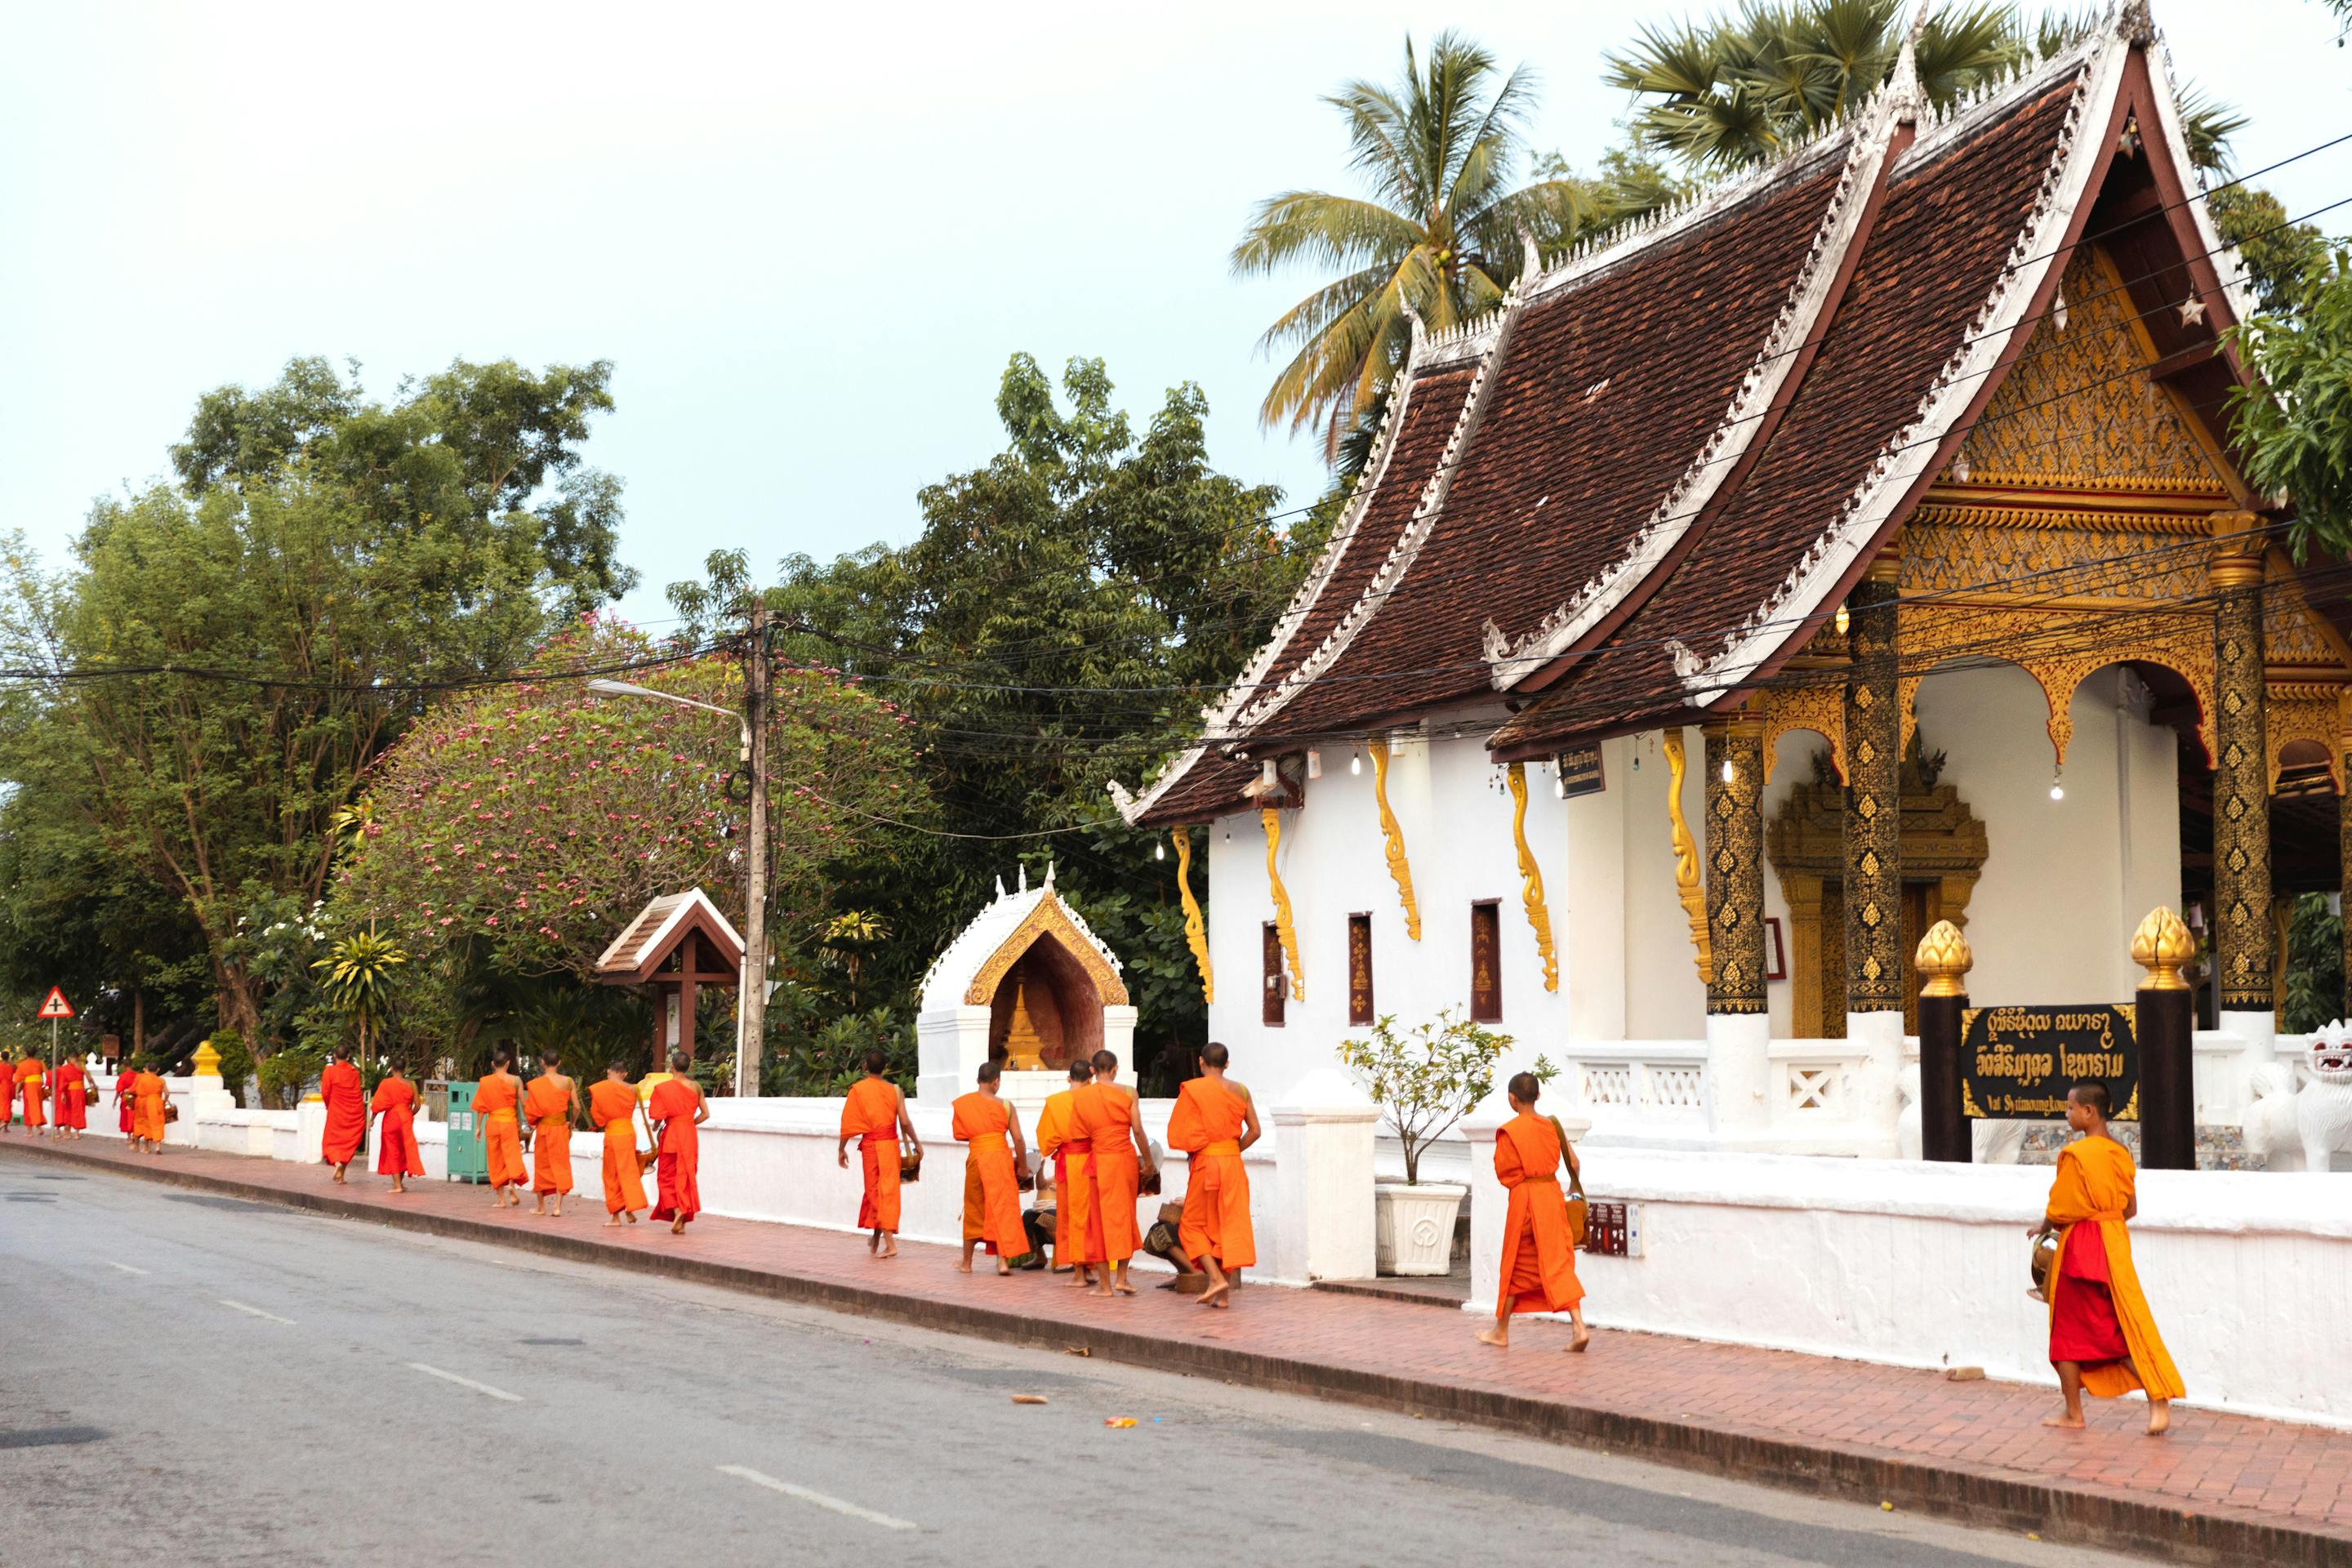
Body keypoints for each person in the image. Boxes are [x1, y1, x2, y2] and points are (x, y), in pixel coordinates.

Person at [2035, 1083, 2183, 1435]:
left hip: (2080, 1251)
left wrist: (2043, 1227)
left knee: (2074, 1334)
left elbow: (2060, 1209)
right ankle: (2143, 1400)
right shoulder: (2121, 1151)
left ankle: (2087, 1411)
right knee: (2116, 1327)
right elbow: (2129, 1209)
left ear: (2089, 1112)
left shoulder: (2079, 1154)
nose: (2067, 1115)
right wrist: (2105, 1224)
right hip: (2113, 1246)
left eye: (2071, 1108)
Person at [1477, 1072, 1589, 1352]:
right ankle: (1579, 1328)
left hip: (1525, 1200)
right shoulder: (1552, 1126)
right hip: (1551, 1198)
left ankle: (1501, 1331)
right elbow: (1574, 1164)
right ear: (1538, 1096)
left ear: (1512, 1099)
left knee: (1517, 1265)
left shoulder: (1510, 1131)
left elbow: (1505, 1174)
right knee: (1558, 1262)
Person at [1166, 1041, 1258, 1308]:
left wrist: (1210, 1148)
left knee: (1192, 1225)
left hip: (1207, 1162)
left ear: (1201, 1062)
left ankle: (1217, 1278)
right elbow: (1255, 1131)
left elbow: (1181, 1133)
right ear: (1227, 1064)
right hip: (1232, 1163)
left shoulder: (1193, 1090)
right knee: (1228, 1223)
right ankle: (1223, 1295)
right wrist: (1231, 1149)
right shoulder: (1241, 1090)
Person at [1073, 1049, 1157, 1298]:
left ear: (1092, 1071)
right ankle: (1122, 1278)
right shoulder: (1129, 1093)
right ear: (1116, 1069)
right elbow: (1139, 1131)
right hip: (1124, 1160)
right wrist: (1149, 1162)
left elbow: (1080, 1133)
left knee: (1098, 1221)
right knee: (1125, 1217)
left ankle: (1105, 1286)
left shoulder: (1081, 1096)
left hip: (1100, 1160)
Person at [951, 1061, 1031, 1275]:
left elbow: (959, 1134)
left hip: (977, 1158)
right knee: (1002, 1208)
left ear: (978, 1081)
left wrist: (981, 1136)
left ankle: (967, 1263)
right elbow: (1019, 1139)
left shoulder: (964, 1104)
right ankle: (1003, 1262)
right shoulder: (1006, 1106)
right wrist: (1022, 1166)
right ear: (996, 1082)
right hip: (1001, 1161)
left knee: (974, 1207)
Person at [837, 1050, 918, 1258]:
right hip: (890, 1145)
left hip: (872, 1146)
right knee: (885, 1191)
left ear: (865, 1066)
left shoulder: (858, 1090)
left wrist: (842, 1148)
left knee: (875, 1192)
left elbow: (848, 1123)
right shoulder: (896, 1090)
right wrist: (917, 1144)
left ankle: (890, 1244)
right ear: (886, 1067)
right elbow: (905, 1122)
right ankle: (875, 1239)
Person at [1034, 1058, 1101, 1289]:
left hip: (1070, 1165)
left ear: (1069, 1078)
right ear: (1090, 1079)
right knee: (1091, 1216)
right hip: (1094, 1162)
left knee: (1073, 1217)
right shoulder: (1096, 1099)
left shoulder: (1056, 1102)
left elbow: (1046, 1142)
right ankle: (1090, 1268)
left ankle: (1080, 1274)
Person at [648, 1051, 707, 1234]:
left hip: (672, 1134)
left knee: (667, 1176)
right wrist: (689, 1123)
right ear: (688, 1067)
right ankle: (680, 1221)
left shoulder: (663, 1088)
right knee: (686, 1175)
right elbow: (705, 1114)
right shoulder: (696, 1086)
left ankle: (677, 1210)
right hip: (689, 1134)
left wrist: (656, 1127)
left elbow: (658, 1116)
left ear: (671, 1066)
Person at [588, 1062, 648, 1227]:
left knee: (611, 1174)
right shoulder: (633, 1089)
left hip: (613, 1134)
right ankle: (630, 1207)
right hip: (628, 1133)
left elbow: (598, 1117)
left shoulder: (600, 1089)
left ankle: (615, 1217)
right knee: (628, 1172)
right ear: (625, 1074)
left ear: (610, 1072)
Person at [524, 1049, 578, 1218]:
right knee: (560, 1165)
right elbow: (576, 1107)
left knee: (542, 1166)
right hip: (560, 1128)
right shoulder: (568, 1081)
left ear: (543, 1063)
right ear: (559, 1063)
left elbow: (531, 1112)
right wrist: (573, 1124)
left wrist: (534, 1122)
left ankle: (541, 1207)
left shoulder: (536, 1084)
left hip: (544, 1129)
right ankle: (557, 1207)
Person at [474, 1047, 527, 1207]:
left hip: (493, 1123)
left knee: (495, 1160)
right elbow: (523, 1103)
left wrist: (477, 1127)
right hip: (509, 1123)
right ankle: (511, 1183)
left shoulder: (485, 1081)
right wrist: (529, 1120)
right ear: (508, 1063)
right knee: (511, 1156)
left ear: (492, 1064)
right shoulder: (516, 1080)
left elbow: (482, 1107)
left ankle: (502, 1200)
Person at [370, 1066, 425, 1194]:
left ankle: (397, 1185)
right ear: (404, 1070)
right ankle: (400, 1183)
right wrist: (409, 1114)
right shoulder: (412, 1084)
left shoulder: (386, 1083)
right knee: (405, 1150)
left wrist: (372, 1119)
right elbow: (417, 1105)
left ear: (392, 1069)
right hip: (406, 1117)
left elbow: (378, 1104)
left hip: (391, 1119)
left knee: (393, 1151)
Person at [318, 1046, 366, 1183]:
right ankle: (341, 1174)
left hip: (336, 1110)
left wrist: (329, 1106)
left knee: (332, 1141)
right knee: (348, 1142)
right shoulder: (354, 1072)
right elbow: (357, 1093)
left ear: (334, 1055)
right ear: (348, 1056)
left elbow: (325, 1092)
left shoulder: (329, 1071)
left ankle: (338, 1166)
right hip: (353, 1112)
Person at [131, 1065, 169, 1155]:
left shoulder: (141, 1078)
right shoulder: (161, 1080)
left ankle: (142, 1147)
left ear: (147, 1069)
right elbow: (167, 1094)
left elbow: (133, 1090)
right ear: (158, 1069)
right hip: (156, 1102)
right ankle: (157, 1147)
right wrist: (163, 1102)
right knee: (158, 1124)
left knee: (141, 1123)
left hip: (142, 1103)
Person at [53, 1055, 88, 1140]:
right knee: (78, 1111)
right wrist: (93, 1085)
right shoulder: (81, 1066)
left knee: (68, 1111)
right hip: (79, 1091)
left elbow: (63, 1083)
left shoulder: (64, 1069)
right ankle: (76, 1134)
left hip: (70, 1092)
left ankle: (68, 1133)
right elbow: (88, 1078)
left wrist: (63, 1094)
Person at [16, 1052, 47, 1138]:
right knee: (37, 1106)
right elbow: (43, 1075)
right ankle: (38, 1127)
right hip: (38, 1085)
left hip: (29, 1086)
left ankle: (32, 1130)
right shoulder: (39, 1063)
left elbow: (18, 1081)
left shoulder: (22, 1065)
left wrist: (17, 1093)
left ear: (26, 1054)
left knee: (29, 1108)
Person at [113, 1063, 137, 1141]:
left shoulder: (123, 1076)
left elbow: (119, 1090)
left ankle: (129, 1137)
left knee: (126, 1117)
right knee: (135, 1117)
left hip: (126, 1099)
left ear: (124, 1066)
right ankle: (135, 1135)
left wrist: (115, 1100)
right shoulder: (137, 1075)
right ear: (132, 1066)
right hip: (136, 1098)